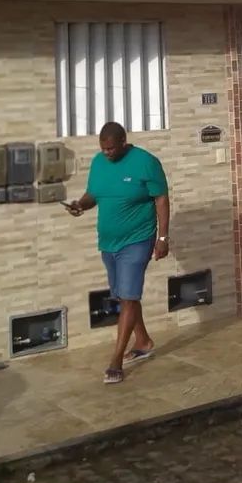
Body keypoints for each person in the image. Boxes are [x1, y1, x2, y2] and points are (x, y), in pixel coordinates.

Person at [65, 121, 170, 384]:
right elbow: (94, 194)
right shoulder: (99, 163)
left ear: (123, 142)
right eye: (103, 149)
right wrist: (80, 204)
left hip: (137, 239)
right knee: (124, 297)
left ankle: (115, 361)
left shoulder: (146, 162)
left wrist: (163, 237)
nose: (107, 153)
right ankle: (143, 341)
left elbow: (161, 199)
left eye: (111, 148)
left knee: (129, 296)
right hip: (108, 242)